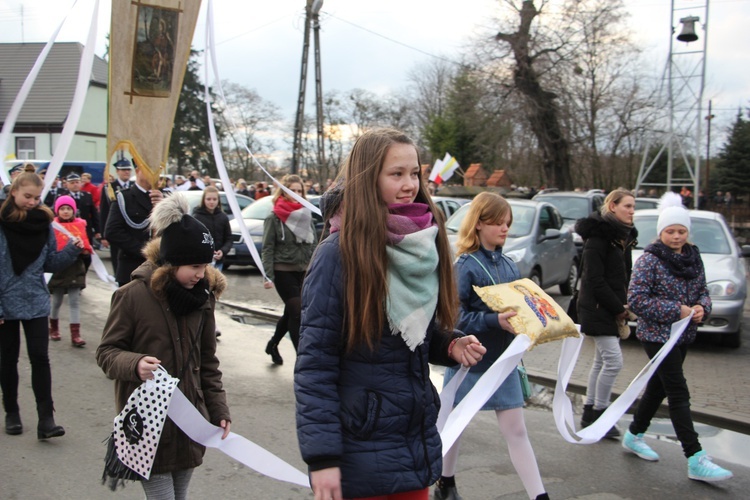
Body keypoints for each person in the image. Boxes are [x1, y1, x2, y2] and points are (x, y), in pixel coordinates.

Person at [294, 128, 486, 500]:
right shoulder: (338, 253)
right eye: (396, 174)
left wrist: (449, 343)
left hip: (412, 439)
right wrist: (322, 458)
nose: (409, 184)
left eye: (414, 173)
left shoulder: (423, 242)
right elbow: (315, 364)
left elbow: (410, 332)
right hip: (358, 446)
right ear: (368, 178)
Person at [96, 193, 231, 498]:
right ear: (172, 262)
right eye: (194, 266)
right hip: (149, 425)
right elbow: (106, 352)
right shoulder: (131, 296)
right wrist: (135, 363)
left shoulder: (203, 298)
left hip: (190, 424)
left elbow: (208, 361)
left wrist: (218, 409)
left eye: (205, 265)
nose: (201, 274)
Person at [435, 192, 549, 500]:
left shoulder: (510, 264)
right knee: (454, 427)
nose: (504, 228)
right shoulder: (465, 265)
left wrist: (534, 326)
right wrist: (492, 321)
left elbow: (521, 310)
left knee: (517, 432)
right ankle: (445, 483)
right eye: (497, 222)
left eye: (507, 223)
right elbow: (452, 316)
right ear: (479, 224)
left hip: (504, 363)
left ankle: (540, 496)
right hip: (470, 360)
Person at [624, 193, 733, 482]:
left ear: (688, 232)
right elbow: (636, 300)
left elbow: (703, 293)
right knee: (677, 390)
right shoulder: (649, 260)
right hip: (656, 335)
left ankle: (634, 434)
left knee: (659, 388)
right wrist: (677, 309)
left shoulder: (693, 258)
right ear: (660, 232)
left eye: (681, 231)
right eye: (670, 231)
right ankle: (695, 456)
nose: (676, 236)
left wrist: (701, 309)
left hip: (683, 335)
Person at [0, 172, 83, 438]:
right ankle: (12, 412)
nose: (33, 202)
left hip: (35, 300)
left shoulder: (44, 223)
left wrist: (72, 250)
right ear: (13, 192)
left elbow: (49, 264)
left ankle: (46, 419)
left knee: (40, 358)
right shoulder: (2, 223)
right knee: (7, 360)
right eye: (27, 197)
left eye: (37, 197)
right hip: (5, 303)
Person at [573, 188, 637, 439]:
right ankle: (600, 414)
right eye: (627, 206)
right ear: (613, 206)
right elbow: (594, 280)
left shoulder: (623, 237)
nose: (632, 211)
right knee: (613, 361)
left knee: (601, 361)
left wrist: (625, 302)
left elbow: (623, 276)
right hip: (597, 309)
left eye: (633, 207)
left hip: (609, 307)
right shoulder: (599, 237)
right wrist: (618, 308)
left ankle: (590, 412)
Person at [261, 175, 317, 365]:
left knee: (291, 312)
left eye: (300, 190)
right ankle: (302, 361)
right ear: (284, 191)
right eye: (292, 190)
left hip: (304, 271)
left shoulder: (306, 214)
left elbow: (314, 244)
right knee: (297, 311)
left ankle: (273, 344)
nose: (297, 194)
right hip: (283, 270)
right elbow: (268, 247)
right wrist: (267, 274)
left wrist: (315, 267)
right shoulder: (274, 217)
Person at [104, 160, 164, 286]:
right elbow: (112, 231)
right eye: (149, 170)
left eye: (157, 171)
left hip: (160, 270)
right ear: (137, 171)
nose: (154, 175)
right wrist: (144, 250)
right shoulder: (124, 198)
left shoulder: (164, 198)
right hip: (132, 268)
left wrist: (163, 208)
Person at [48, 195, 94, 347]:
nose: (66, 211)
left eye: (69, 208)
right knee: (57, 301)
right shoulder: (53, 227)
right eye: (62, 209)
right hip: (59, 268)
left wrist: (85, 250)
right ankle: (53, 328)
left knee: (74, 301)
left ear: (74, 211)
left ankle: (76, 334)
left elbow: (86, 246)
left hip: (75, 268)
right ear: (57, 211)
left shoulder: (80, 226)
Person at [100, 158, 134, 277]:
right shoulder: (110, 187)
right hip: (116, 228)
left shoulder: (134, 186)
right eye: (123, 170)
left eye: (128, 170)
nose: (127, 172)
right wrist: (103, 235)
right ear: (117, 171)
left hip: (131, 229)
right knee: (117, 261)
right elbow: (104, 211)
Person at [192, 186, 232, 272]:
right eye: (208, 199)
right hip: (202, 261)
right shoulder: (197, 217)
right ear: (203, 200)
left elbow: (229, 239)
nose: (212, 202)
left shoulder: (223, 217)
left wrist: (223, 251)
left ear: (218, 200)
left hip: (218, 260)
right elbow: (193, 240)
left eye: (214, 199)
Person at [64, 172, 101, 251]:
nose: (75, 185)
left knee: (87, 252)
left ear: (81, 183)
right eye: (72, 183)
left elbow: (94, 213)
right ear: (67, 184)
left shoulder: (87, 195)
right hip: (69, 230)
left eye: (77, 182)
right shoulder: (63, 197)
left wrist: (97, 230)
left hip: (85, 230)